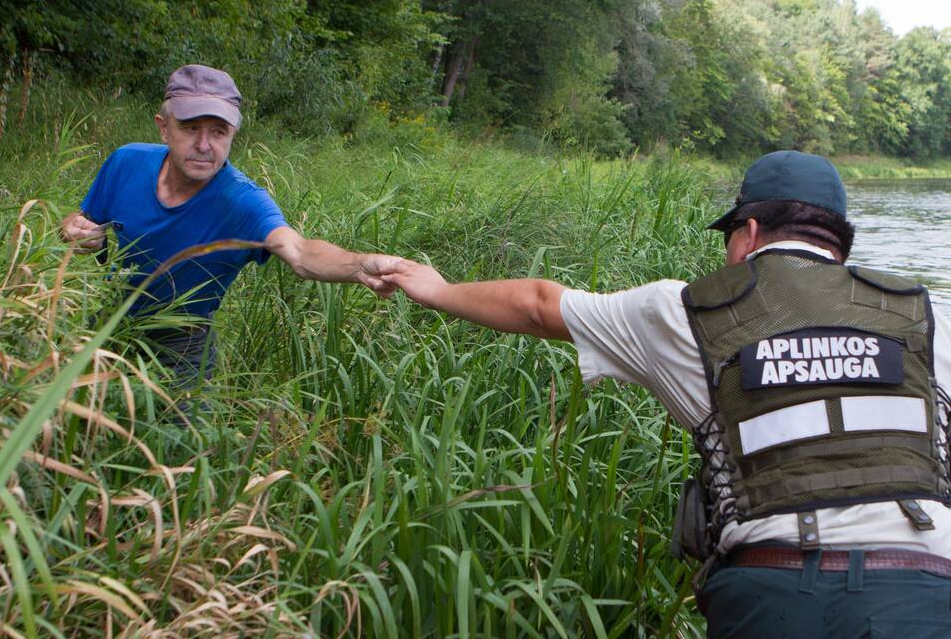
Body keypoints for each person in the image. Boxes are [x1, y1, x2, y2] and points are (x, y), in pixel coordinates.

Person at [381, 150, 951, 638]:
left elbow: (536, 304)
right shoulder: (926, 317)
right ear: (839, 246)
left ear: (748, 232)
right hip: (924, 587)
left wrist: (436, 289)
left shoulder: (680, 309)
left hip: (771, 590)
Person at [61, 64, 399, 416]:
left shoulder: (242, 200)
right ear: (164, 128)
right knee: (82, 422)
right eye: (190, 129)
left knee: (178, 448)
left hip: (182, 342)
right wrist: (74, 229)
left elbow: (299, 252)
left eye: (219, 132)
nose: (204, 146)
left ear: (233, 133)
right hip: (110, 320)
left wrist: (359, 265)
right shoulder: (126, 162)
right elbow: (81, 220)